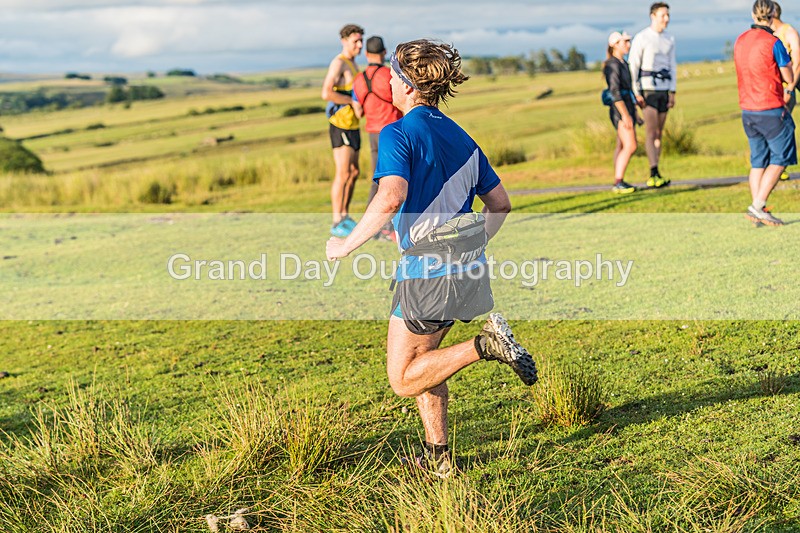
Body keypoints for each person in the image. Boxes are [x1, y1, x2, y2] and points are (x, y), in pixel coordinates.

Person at [326, 39, 538, 478]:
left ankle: (485, 345)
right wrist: (475, 243)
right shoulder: (460, 135)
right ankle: (440, 461)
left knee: (403, 377)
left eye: (394, 73)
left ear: (406, 84)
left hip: (427, 270)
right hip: (465, 267)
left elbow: (390, 196)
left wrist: (344, 246)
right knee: (426, 365)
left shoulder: (398, 132)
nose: (386, 77)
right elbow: (500, 204)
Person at [735, 0, 796, 226]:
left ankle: (757, 210)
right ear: (772, 16)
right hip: (770, 107)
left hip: (747, 110)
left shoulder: (740, 41)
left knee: (758, 161)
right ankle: (758, 205)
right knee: (780, 158)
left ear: (753, 15)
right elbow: (788, 76)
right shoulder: (774, 42)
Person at [352, 35, 404, 241]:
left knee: (379, 179)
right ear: (384, 52)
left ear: (366, 54)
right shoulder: (390, 75)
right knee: (396, 181)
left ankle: (370, 226)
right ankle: (382, 227)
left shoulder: (358, 80)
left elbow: (358, 112)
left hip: (372, 133)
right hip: (392, 131)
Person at [321, 24, 365, 238]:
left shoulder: (353, 64)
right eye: (355, 41)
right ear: (344, 41)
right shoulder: (339, 63)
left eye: (361, 41)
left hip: (353, 125)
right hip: (340, 124)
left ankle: (345, 216)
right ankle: (337, 220)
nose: (359, 45)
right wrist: (350, 101)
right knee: (343, 173)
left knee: (354, 172)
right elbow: (326, 93)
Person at [629, 2, 677, 188]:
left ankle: (657, 170)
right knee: (651, 131)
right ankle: (653, 170)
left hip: (664, 90)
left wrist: (673, 91)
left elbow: (672, 66)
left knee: (659, 133)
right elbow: (633, 66)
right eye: (662, 15)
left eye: (667, 15)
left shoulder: (669, 39)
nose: (666, 19)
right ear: (653, 16)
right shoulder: (642, 37)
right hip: (648, 90)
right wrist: (636, 92)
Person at [604, 31, 642, 194]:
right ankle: (618, 182)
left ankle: (618, 179)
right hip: (620, 111)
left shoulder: (622, 63)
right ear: (614, 45)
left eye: (628, 41)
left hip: (627, 108)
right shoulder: (612, 65)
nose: (628, 44)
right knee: (630, 145)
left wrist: (635, 113)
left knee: (621, 145)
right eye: (624, 42)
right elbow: (615, 92)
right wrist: (625, 115)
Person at [771, 2, 800, 180]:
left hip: (786, 88)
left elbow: (797, 62)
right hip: (772, 89)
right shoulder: (768, 34)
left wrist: (789, 88)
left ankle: (781, 166)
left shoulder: (789, 32)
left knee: (782, 128)